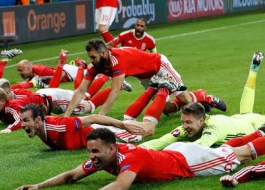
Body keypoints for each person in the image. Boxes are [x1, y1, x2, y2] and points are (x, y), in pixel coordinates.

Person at [13, 127, 265, 190]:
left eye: (95, 151)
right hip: (176, 153)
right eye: (89, 151)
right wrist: (38, 185)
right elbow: (72, 175)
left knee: (239, 157)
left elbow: (120, 187)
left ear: (111, 148)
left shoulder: (129, 158)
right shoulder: (103, 157)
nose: (91, 157)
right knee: (226, 150)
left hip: (190, 163)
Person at [140, 52, 265, 150]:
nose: (184, 126)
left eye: (187, 123)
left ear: (201, 120)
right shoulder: (192, 123)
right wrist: (133, 149)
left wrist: (163, 154)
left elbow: (196, 149)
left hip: (259, 125)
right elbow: (161, 141)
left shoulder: (213, 129)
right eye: (184, 122)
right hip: (239, 121)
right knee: (246, 113)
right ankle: (258, 71)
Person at [63, 40, 223, 136]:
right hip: (146, 77)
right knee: (167, 109)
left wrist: (100, 117)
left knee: (187, 102)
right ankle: (199, 97)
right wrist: (67, 116)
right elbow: (81, 91)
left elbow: (115, 89)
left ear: (103, 54)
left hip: (159, 66)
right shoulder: (95, 66)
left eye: (93, 57)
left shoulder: (116, 59)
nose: (90, 60)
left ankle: (204, 97)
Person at [18, 104, 144, 150]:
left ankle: (158, 90)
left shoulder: (58, 125)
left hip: (101, 133)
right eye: (21, 121)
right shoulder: (40, 129)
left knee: (145, 131)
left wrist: (123, 125)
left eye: (26, 120)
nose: (22, 125)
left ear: (38, 120)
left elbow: (92, 118)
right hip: (94, 140)